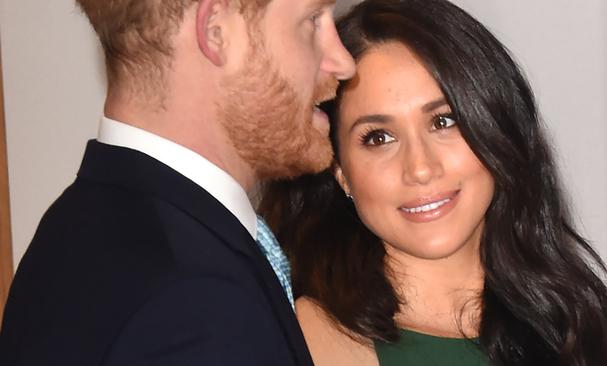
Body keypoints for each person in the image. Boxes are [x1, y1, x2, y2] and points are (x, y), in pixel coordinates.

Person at [259, 0, 607, 365]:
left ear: (495, 129)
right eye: (379, 137)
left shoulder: (568, 321)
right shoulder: (308, 338)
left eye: (443, 121)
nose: (420, 168)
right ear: (340, 172)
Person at [0, 0, 355, 365]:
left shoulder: (77, 225)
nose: (343, 62)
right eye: (312, 21)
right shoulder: (194, 300)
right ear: (216, 31)